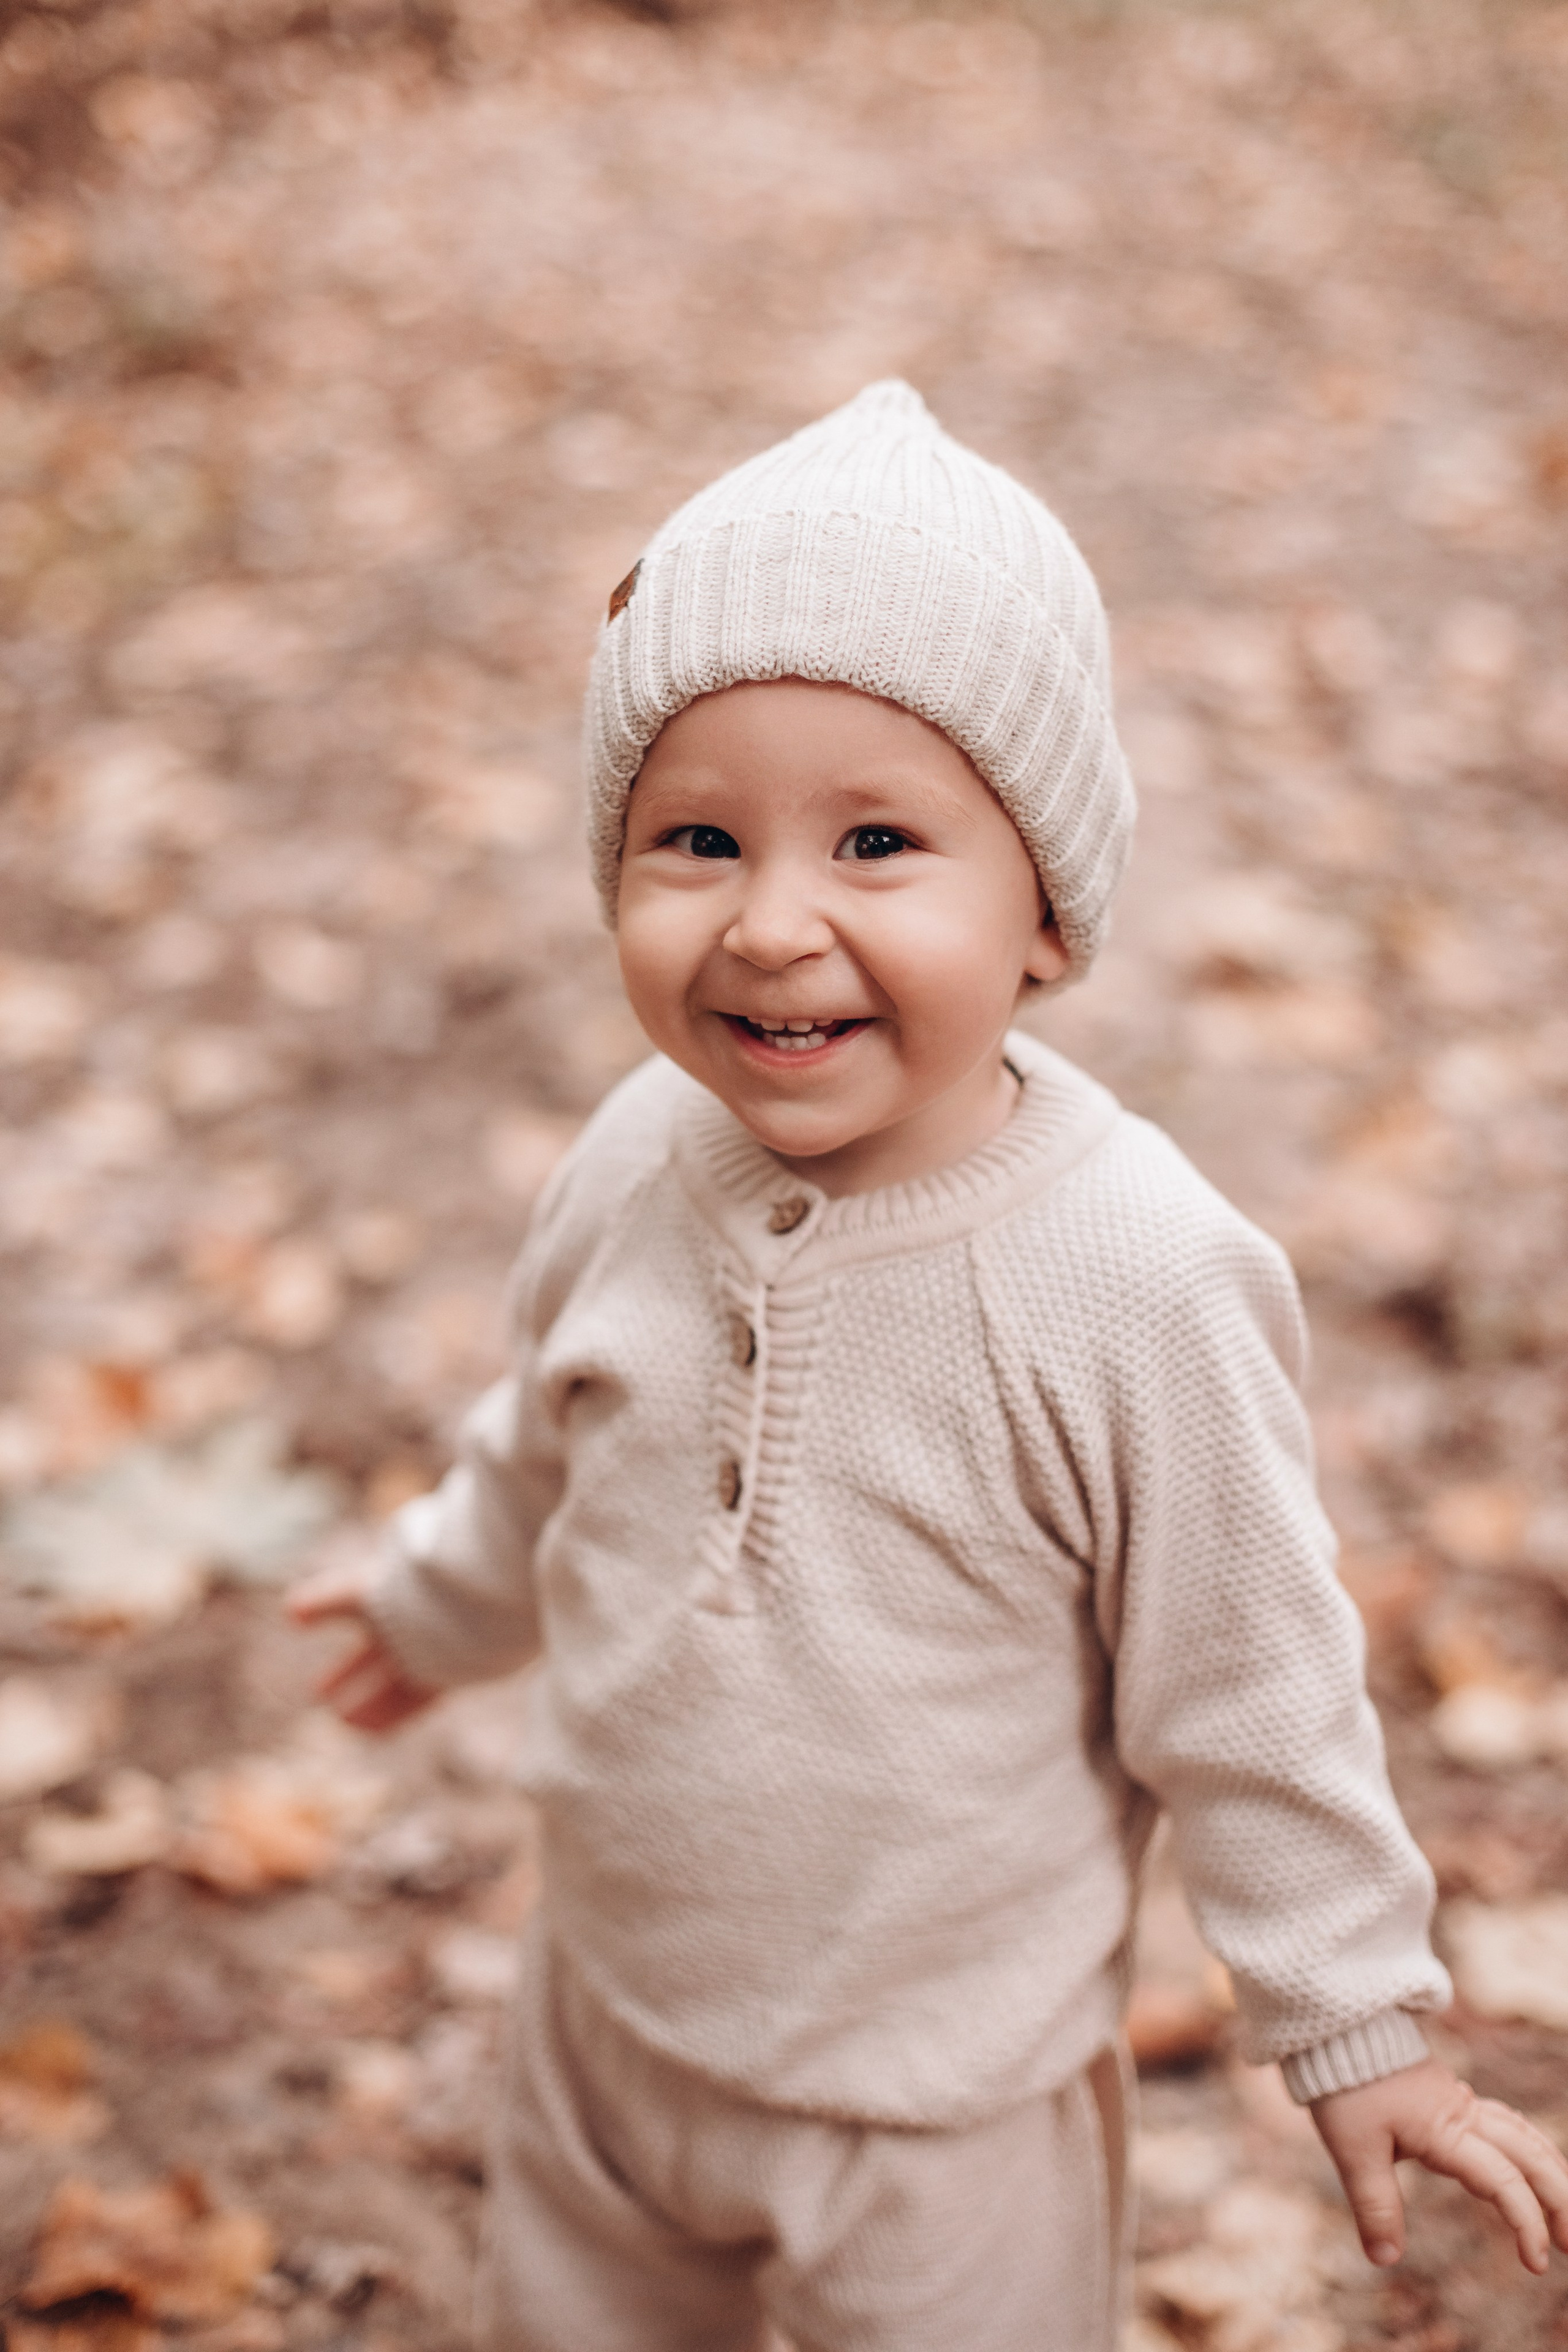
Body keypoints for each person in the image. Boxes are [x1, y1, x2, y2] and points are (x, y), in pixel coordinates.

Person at [290, 381, 1568, 2351]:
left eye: (877, 841)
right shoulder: (633, 1160)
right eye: (696, 839)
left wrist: (1354, 2023)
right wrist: (434, 1600)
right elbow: (541, 1442)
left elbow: (1249, 1676)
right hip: (608, 2019)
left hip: (941, 2107)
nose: (769, 923)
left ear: (1045, 909)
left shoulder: (1133, 1276)